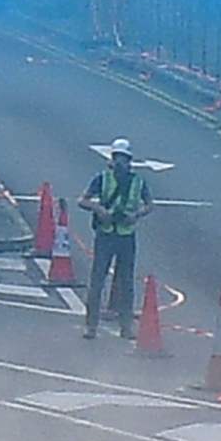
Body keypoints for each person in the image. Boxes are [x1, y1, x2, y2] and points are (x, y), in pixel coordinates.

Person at [78, 140, 150, 339]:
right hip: (106, 234)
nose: (120, 163)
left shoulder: (138, 182)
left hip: (126, 235)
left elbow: (148, 205)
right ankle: (90, 325)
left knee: (126, 282)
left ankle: (126, 327)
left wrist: (136, 215)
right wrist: (99, 210)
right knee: (98, 279)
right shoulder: (102, 179)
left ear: (129, 161)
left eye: (123, 159)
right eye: (117, 158)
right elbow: (82, 200)